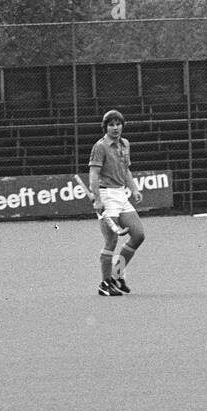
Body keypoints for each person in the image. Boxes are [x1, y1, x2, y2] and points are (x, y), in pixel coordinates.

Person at [88, 109, 145, 297]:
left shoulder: (125, 144)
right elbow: (94, 174)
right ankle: (104, 285)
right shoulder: (100, 147)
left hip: (121, 195)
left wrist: (134, 189)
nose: (115, 128)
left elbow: (126, 170)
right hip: (106, 195)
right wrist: (97, 199)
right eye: (111, 124)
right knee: (111, 241)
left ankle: (117, 275)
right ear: (105, 127)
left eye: (118, 124)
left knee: (138, 235)